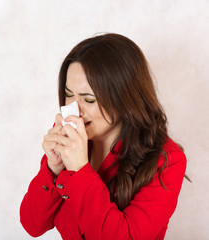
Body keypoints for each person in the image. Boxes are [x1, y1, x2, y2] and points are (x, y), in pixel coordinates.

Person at [20, 33, 187, 240]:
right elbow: (32, 224)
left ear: (125, 99)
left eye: (88, 99)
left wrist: (80, 170)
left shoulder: (167, 160)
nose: (74, 110)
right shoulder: (71, 140)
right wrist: (52, 169)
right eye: (69, 94)